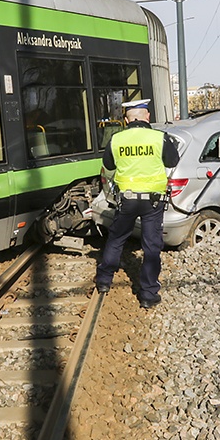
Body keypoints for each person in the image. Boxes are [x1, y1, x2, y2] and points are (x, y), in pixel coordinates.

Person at [94, 99, 179, 309]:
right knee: (151, 246)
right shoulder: (160, 138)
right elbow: (172, 161)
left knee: (116, 239)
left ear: (126, 120)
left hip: (127, 200)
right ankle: (148, 294)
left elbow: (108, 164)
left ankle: (104, 281)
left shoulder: (116, 139)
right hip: (153, 202)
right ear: (147, 116)